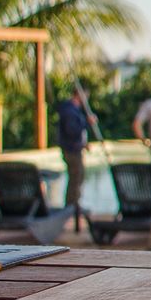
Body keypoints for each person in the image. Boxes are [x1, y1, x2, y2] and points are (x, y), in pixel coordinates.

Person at [55, 84, 93, 224]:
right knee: (76, 178)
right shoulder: (70, 110)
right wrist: (87, 123)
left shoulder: (74, 110)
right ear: (79, 95)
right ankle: (71, 207)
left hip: (75, 148)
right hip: (71, 151)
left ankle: (73, 206)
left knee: (78, 177)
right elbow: (72, 130)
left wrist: (83, 143)